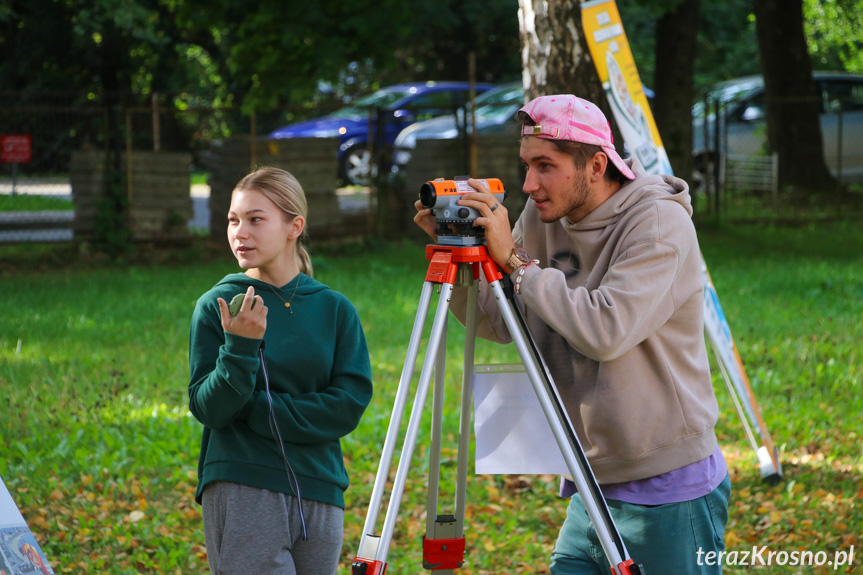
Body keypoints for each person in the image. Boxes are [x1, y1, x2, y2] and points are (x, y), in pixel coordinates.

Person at [414, 94, 729, 574]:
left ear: (596, 164)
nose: (529, 184)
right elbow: (498, 321)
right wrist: (460, 258)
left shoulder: (658, 222)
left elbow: (606, 328)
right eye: (526, 166)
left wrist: (514, 262)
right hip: (590, 482)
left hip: (666, 484)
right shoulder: (544, 219)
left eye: (545, 166)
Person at [188, 166, 373, 575]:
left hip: (321, 487)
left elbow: (348, 404)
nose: (240, 232)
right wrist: (240, 347)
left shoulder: (334, 308)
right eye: (233, 220)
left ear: (294, 226)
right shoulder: (218, 305)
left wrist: (261, 410)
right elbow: (210, 409)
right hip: (242, 484)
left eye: (256, 219)